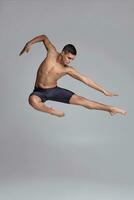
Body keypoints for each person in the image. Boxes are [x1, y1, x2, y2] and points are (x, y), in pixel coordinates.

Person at [19, 34, 127, 117]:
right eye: (69, 58)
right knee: (32, 100)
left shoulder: (68, 69)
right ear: (63, 52)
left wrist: (104, 91)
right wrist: (30, 43)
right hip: (39, 91)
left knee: (82, 101)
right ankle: (52, 111)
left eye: (72, 59)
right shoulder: (51, 52)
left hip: (53, 91)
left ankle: (110, 109)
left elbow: (85, 80)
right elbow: (44, 37)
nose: (70, 61)